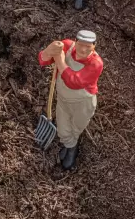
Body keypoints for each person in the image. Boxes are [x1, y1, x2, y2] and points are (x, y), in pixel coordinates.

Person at [38, 30, 103, 170]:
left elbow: (74, 81)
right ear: (75, 41)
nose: (83, 49)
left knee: (76, 128)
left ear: (94, 46)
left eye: (88, 46)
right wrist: (49, 51)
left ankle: (72, 148)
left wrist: (60, 61)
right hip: (63, 99)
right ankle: (70, 144)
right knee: (63, 130)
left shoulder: (96, 63)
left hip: (82, 103)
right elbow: (43, 61)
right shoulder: (66, 46)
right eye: (80, 44)